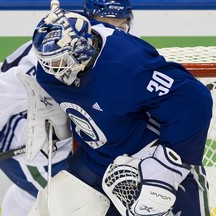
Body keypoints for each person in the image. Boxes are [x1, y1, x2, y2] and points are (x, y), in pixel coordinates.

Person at [0, 1, 136, 216]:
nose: (112, 32)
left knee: (34, 193)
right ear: (90, 20)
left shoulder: (125, 43)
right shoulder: (60, 47)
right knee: (68, 195)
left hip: (61, 130)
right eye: (105, 24)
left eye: (120, 26)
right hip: (25, 133)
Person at [30, 7, 212, 216]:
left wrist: (166, 168)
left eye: (58, 61)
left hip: (146, 162)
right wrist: (49, 109)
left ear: (82, 50)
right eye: (46, 61)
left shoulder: (128, 64)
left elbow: (194, 100)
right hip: (94, 161)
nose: (52, 68)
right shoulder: (49, 71)